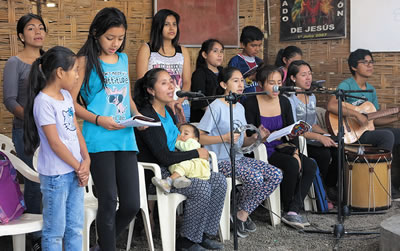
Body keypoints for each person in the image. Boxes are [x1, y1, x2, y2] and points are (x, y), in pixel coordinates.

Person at [70, 8, 140, 250]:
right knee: (108, 201)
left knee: (131, 204)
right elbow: (71, 103)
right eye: (110, 38)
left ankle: (102, 245)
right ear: (96, 33)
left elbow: (126, 95)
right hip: (98, 137)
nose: (115, 44)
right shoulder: (83, 61)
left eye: (120, 38)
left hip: (125, 137)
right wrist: (99, 119)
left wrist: (137, 115)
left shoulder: (122, 59)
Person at [134, 68, 227, 251]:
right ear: (151, 90)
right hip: (158, 175)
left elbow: (176, 142)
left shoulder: (167, 111)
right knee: (201, 187)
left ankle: (201, 235)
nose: (171, 86)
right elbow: (164, 156)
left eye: (171, 81)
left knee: (219, 181)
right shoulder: (148, 115)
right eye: (164, 83)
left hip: (176, 168)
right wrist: (196, 154)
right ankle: (186, 241)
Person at [197, 66, 282, 238]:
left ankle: (240, 214)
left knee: (276, 174)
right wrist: (225, 138)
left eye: (242, 81)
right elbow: (199, 138)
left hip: (238, 158)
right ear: (223, 84)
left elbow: (243, 143)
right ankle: (239, 214)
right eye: (235, 81)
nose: (240, 84)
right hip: (219, 162)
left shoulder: (240, 108)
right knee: (255, 177)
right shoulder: (215, 107)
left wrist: (259, 138)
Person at [23, 46, 90, 251]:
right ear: (60, 72)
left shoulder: (66, 96)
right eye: (75, 70)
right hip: (56, 176)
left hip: (74, 171)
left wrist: (86, 159)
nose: (78, 76)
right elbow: (55, 143)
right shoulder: (43, 102)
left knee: (75, 227)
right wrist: (79, 166)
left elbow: (75, 129)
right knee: (54, 232)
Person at [243, 65, 317, 229]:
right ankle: (287, 204)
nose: (276, 86)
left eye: (279, 82)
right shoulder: (251, 103)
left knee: (310, 164)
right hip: (262, 150)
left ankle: (293, 210)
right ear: (261, 84)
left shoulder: (283, 101)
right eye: (271, 82)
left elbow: (293, 129)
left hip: (283, 146)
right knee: (290, 164)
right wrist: (259, 136)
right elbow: (248, 135)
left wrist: (296, 152)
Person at [327, 48, 400, 196]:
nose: (370, 65)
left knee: (397, 133)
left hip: (365, 131)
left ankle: (394, 182)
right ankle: (380, 182)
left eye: (371, 62)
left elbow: (373, 120)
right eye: (365, 62)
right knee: (387, 136)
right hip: (349, 132)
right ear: (354, 67)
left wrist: (395, 117)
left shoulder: (371, 90)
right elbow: (331, 105)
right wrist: (356, 114)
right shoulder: (346, 85)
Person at [2, 13, 46, 250]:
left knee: (53, 180)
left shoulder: (49, 61)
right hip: (26, 131)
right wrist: (32, 119)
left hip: (51, 132)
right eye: (31, 28)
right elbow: (9, 100)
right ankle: (37, 237)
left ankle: (52, 230)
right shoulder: (14, 63)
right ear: (21, 35)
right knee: (34, 182)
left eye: (41, 28)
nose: (38, 32)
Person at [285, 60, 338, 203]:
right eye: (303, 75)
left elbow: (312, 123)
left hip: (312, 138)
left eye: (309, 74)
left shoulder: (312, 96)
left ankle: (329, 186)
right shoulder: (289, 99)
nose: (308, 78)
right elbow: (294, 129)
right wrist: (319, 138)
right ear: (293, 78)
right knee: (324, 154)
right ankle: (320, 193)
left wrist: (326, 135)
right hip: (299, 142)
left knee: (338, 147)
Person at [136, 9, 191, 122]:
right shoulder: (147, 49)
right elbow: (142, 80)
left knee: (182, 138)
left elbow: (187, 82)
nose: (172, 28)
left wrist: (177, 101)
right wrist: (166, 101)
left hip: (180, 105)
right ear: (158, 26)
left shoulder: (182, 51)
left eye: (174, 24)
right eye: (166, 24)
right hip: (155, 106)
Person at [151, 123, 210, 193]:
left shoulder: (193, 142)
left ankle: (168, 182)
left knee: (183, 165)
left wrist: (177, 141)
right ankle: (181, 180)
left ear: (195, 138)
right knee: (173, 166)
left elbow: (187, 148)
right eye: (179, 133)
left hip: (197, 167)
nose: (181, 135)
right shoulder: (183, 144)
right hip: (189, 169)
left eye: (186, 134)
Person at [190, 39, 224, 122]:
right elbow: (200, 101)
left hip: (223, 117)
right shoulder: (199, 74)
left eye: (221, 51)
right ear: (205, 54)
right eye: (215, 51)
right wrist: (219, 113)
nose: (220, 55)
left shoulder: (224, 72)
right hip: (204, 119)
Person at [228, 26, 264, 95]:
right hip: (243, 100)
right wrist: (250, 78)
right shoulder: (235, 62)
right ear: (243, 44)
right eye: (253, 46)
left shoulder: (259, 61)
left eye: (259, 45)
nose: (257, 49)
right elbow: (231, 86)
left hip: (259, 99)